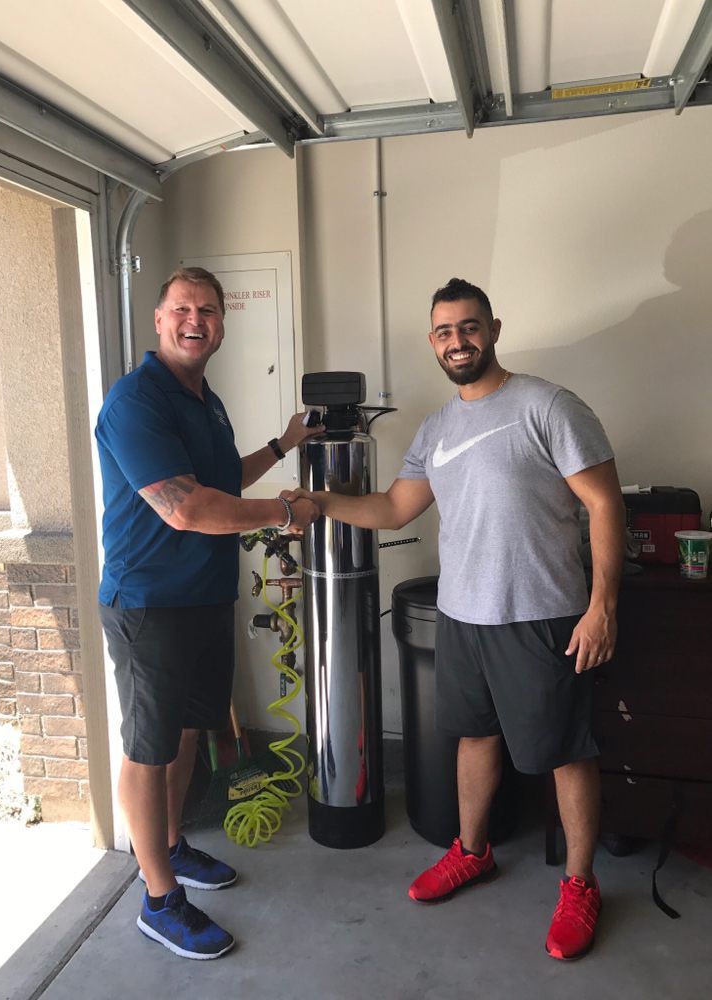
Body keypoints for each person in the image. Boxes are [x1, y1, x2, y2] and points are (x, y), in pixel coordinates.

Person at [284, 277, 625, 961]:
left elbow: (605, 505)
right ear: (433, 342)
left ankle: (581, 884)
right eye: (443, 332)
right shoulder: (438, 429)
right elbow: (393, 508)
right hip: (462, 617)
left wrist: (602, 607)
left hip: (541, 614)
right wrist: (320, 504)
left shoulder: (547, 405)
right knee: (473, 738)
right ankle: (472, 852)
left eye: (468, 327)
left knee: (562, 752)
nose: (456, 341)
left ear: (493, 329)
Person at [95, 266, 320, 960]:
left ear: (223, 324)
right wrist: (284, 511)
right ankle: (159, 900)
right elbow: (186, 507)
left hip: (204, 599)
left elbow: (219, 481)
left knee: (190, 732)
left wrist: (283, 447)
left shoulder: (206, 400)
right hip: (149, 604)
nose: (197, 320)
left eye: (210, 311)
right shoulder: (137, 401)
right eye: (184, 309)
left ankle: (170, 845)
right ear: (159, 320)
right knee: (148, 746)